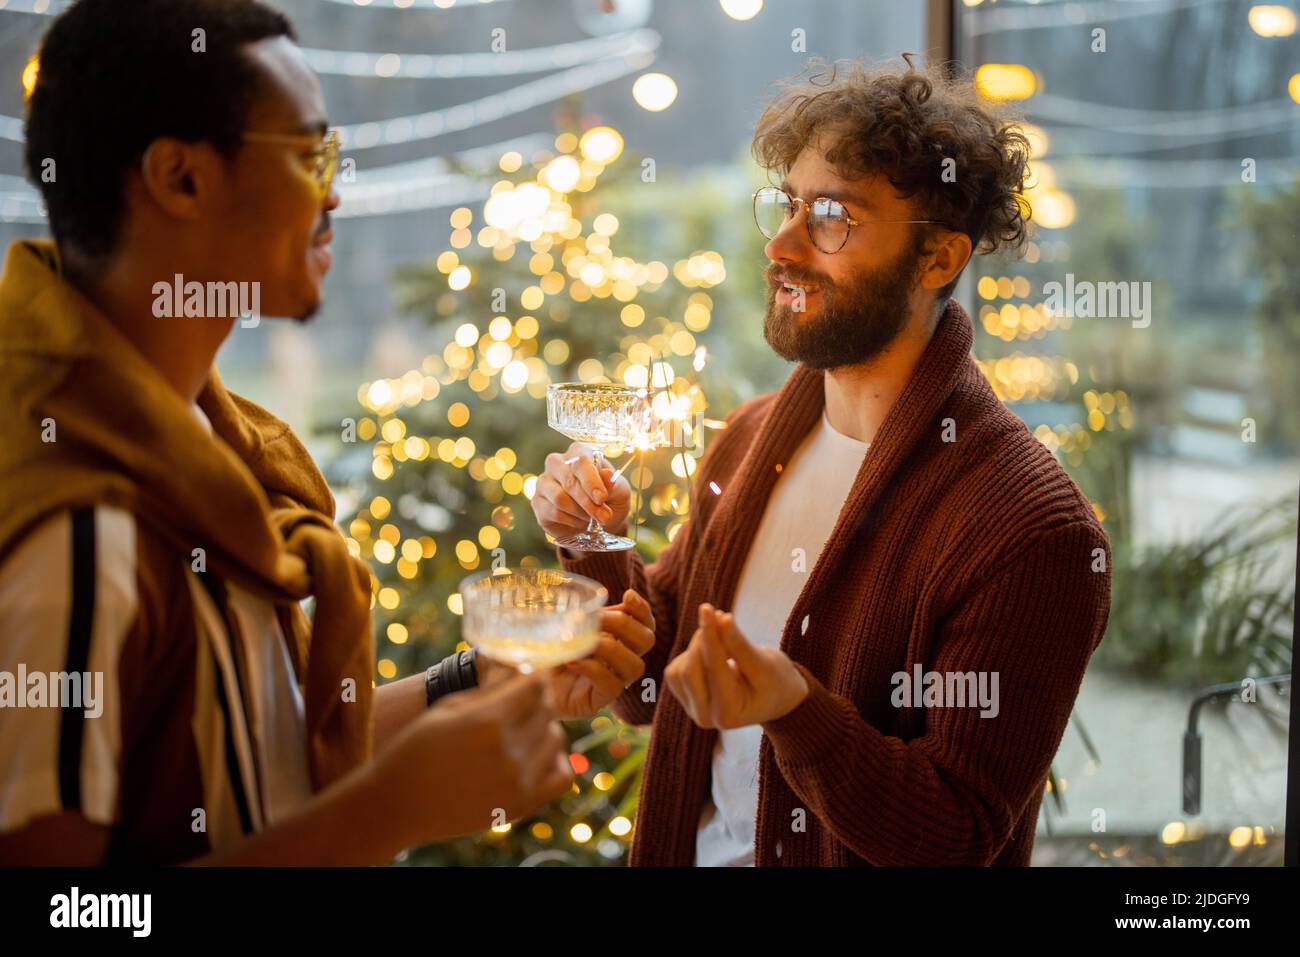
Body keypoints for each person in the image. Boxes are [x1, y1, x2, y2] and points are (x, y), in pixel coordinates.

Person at [0, 0, 653, 866]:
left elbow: (254, 769)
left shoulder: (203, 443)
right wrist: (379, 816)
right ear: (180, 179)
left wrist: (477, 682)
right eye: (311, 154)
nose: (335, 190)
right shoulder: (77, 519)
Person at [532, 57, 1113, 866]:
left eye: (833, 217)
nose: (781, 244)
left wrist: (795, 709)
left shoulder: (1031, 530)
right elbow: (650, 685)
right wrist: (597, 544)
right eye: (789, 204)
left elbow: (956, 834)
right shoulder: (752, 436)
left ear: (939, 260)